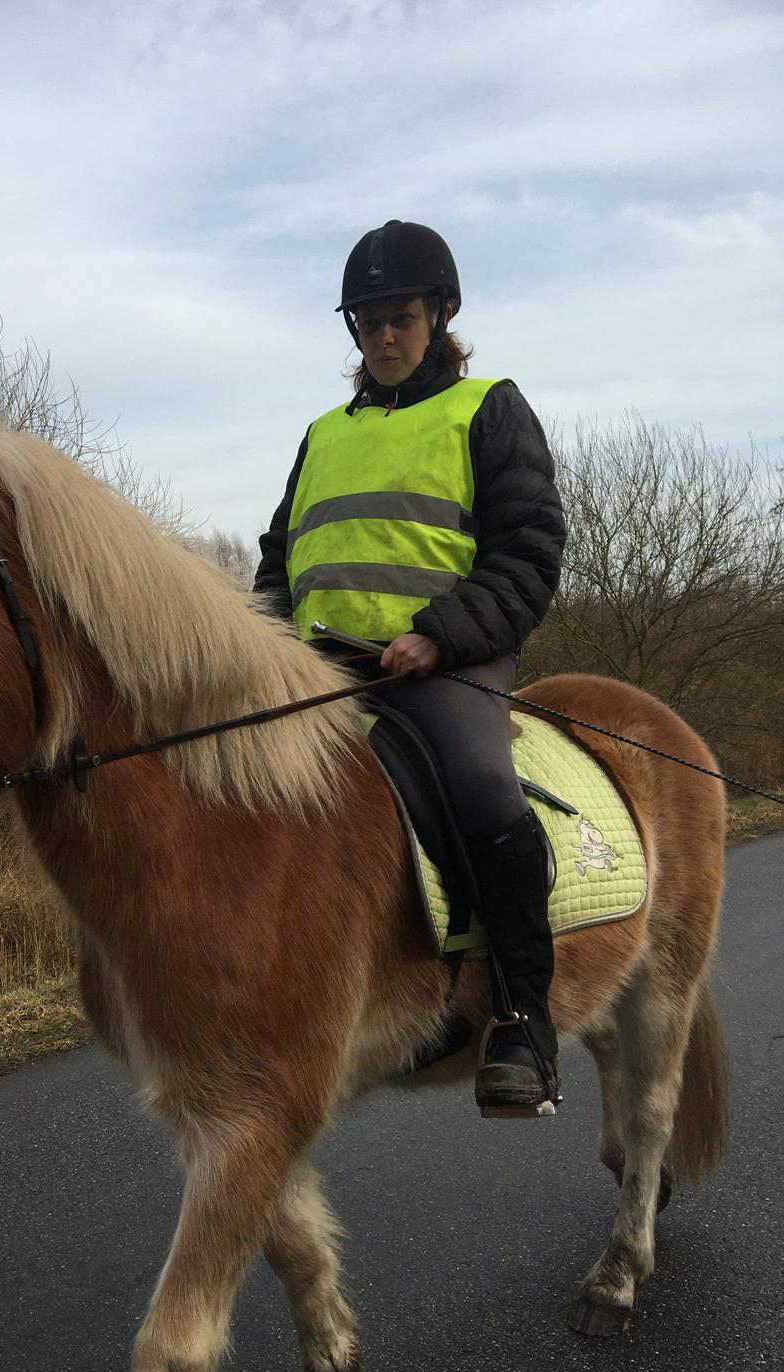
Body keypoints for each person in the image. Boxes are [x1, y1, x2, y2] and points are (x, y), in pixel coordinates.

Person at [253, 219, 566, 1116]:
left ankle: (521, 1018)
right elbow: (282, 560)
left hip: (440, 666)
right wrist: (261, 652)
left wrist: (442, 634)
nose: (383, 337)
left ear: (443, 314)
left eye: (400, 318)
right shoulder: (321, 434)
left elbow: (528, 551)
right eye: (366, 322)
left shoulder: (486, 409)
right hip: (321, 673)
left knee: (479, 786)